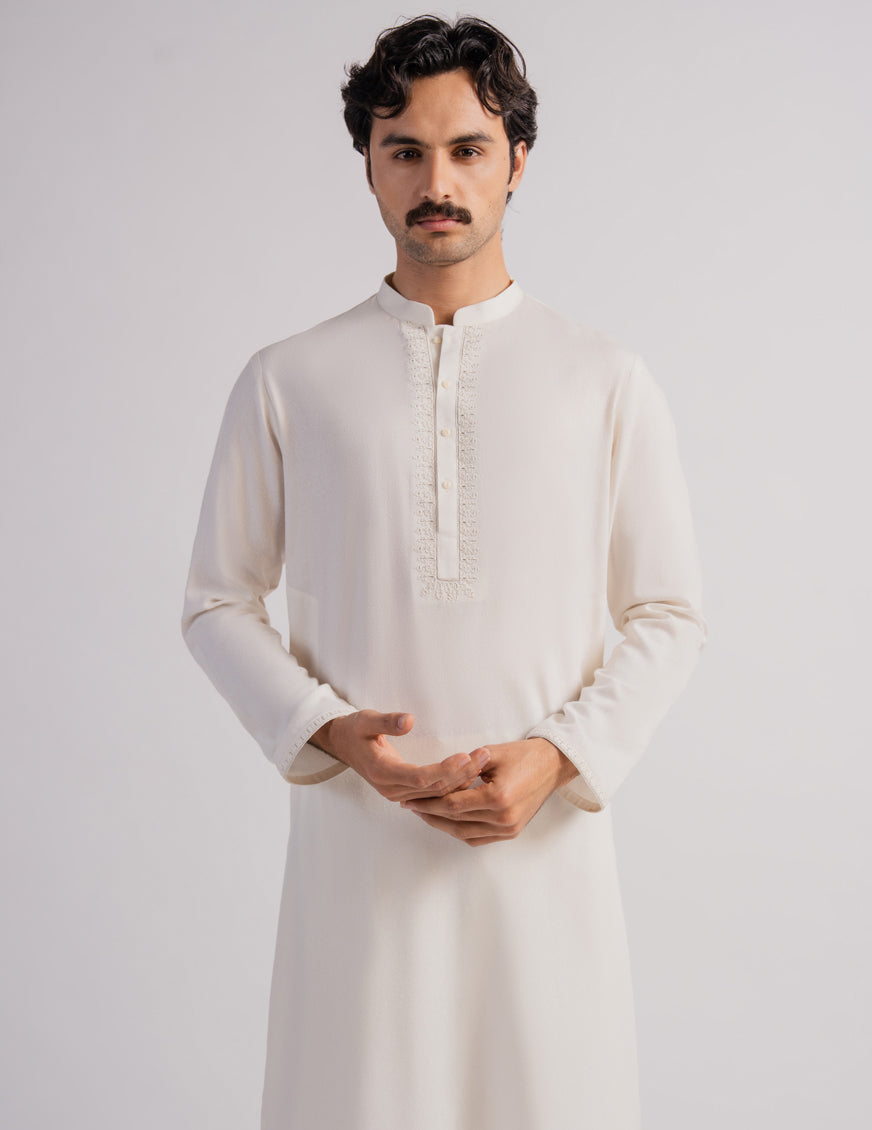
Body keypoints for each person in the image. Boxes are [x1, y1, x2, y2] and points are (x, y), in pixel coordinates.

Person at [181, 14, 707, 1130]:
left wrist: (556, 755)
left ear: (518, 159)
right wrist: (331, 731)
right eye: (404, 150)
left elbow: (668, 611)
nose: (437, 183)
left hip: (547, 869)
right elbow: (217, 601)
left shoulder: (603, 379)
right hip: (359, 868)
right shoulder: (290, 379)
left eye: (468, 148)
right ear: (368, 165)